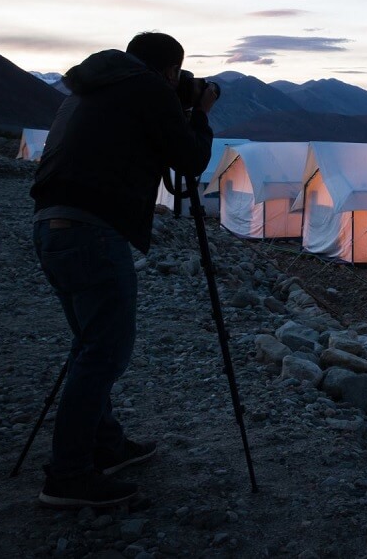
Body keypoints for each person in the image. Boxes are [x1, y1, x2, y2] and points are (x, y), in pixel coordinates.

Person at [30, 32, 215, 508]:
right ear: (170, 70)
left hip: (52, 227)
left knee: (90, 345)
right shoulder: (148, 89)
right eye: (179, 73)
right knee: (103, 354)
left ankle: (105, 446)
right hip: (94, 233)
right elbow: (190, 159)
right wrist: (200, 114)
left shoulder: (88, 89)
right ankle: (68, 476)